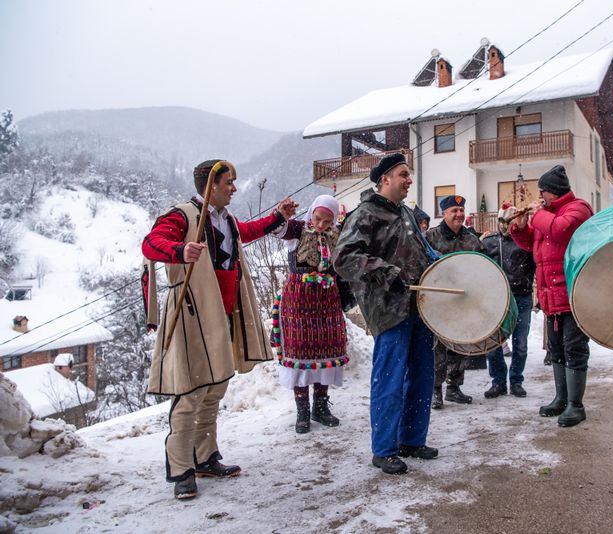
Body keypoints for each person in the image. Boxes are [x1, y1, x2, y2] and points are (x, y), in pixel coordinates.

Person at [142, 159, 297, 500]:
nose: (234, 188)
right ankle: (181, 468)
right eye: (229, 182)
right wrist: (180, 250)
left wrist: (278, 217)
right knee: (191, 390)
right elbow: (151, 243)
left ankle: (205, 456)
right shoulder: (183, 216)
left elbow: (248, 231)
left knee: (215, 387)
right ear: (211, 185)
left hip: (224, 314)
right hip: (192, 314)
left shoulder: (225, 220)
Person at [333, 153, 439, 475]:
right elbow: (344, 257)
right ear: (385, 179)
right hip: (389, 309)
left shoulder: (405, 212)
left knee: (422, 375)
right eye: (403, 174)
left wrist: (445, 265)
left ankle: (412, 439)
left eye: (409, 174)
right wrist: (386, 272)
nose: (409, 180)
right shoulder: (365, 214)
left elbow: (422, 252)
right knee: (390, 378)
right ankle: (384, 449)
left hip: (420, 305)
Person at [510, 165, 592, 427]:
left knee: (574, 349)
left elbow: (561, 229)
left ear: (553, 191)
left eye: (542, 191)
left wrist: (538, 215)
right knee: (556, 349)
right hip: (551, 295)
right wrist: (520, 228)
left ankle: (576, 405)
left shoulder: (578, 208)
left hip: (573, 295)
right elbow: (531, 243)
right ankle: (561, 398)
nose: (539, 197)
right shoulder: (548, 214)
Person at [271, 194, 347, 434]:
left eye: (327, 221)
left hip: (327, 301)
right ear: (311, 213)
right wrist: (280, 214)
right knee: (301, 353)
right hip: (299, 301)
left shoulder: (337, 235)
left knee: (326, 351)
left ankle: (320, 407)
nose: (321, 225)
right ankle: (302, 411)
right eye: (317, 218)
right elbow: (277, 229)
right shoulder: (298, 230)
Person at [425, 195, 485, 408]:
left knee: (460, 344)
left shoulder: (472, 240)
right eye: (454, 211)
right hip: (438, 301)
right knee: (438, 347)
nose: (459, 214)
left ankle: (454, 387)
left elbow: (483, 267)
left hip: (463, 301)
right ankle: (435, 390)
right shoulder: (430, 237)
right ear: (444, 213)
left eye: (461, 210)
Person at [481, 203, 535, 398]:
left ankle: (516, 381)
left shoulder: (525, 241)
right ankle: (498, 382)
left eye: (509, 221)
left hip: (521, 296)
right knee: (494, 343)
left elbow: (536, 264)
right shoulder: (489, 243)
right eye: (502, 221)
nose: (505, 225)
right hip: (496, 299)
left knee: (520, 343)